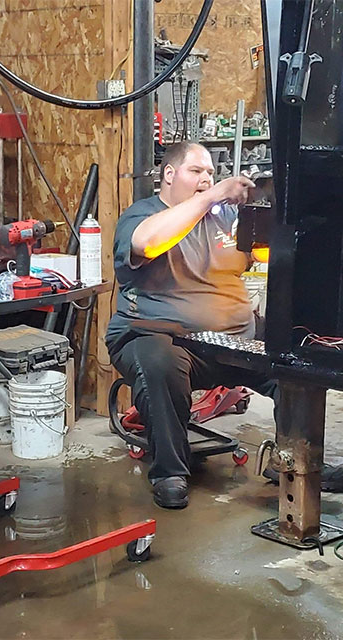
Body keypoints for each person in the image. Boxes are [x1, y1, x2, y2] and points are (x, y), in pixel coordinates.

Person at [105, 141, 278, 509]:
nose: (206, 179)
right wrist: (211, 195)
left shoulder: (225, 219)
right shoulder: (144, 215)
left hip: (234, 339)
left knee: (296, 357)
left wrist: (265, 214)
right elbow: (147, 244)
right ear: (169, 174)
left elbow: (262, 254)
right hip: (162, 335)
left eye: (211, 174)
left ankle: (292, 459)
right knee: (159, 363)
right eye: (196, 171)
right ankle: (169, 472)